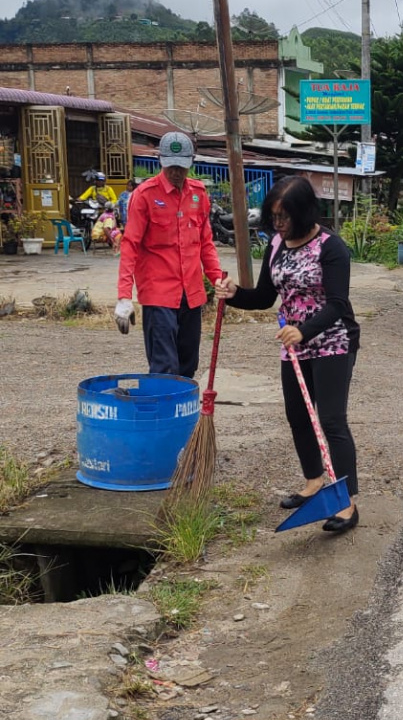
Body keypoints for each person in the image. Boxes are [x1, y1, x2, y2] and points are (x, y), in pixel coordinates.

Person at [215, 176, 360, 536]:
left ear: (304, 211)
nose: (278, 224)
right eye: (273, 216)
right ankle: (313, 481)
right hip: (294, 344)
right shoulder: (277, 244)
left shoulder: (331, 247)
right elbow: (265, 296)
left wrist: (305, 329)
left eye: (285, 216)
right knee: (297, 416)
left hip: (332, 341)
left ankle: (347, 502)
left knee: (331, 420)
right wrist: (233, 293)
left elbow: (338, 305)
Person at [115, 132, 221, 378]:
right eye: (171, 166)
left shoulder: (198, 193)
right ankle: (162, 417)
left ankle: (185, 416)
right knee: (164, 368)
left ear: (190, 163)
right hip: (158, 294)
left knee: (187, 367)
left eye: (181, 167)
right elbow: (130, 245)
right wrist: (123, 296)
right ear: (161, 161)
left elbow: (205, 242)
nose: (176, 172)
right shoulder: (145, 195)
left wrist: (216, 278)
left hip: (192, 294)